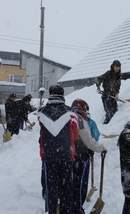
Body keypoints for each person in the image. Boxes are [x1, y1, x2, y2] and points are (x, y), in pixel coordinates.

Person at [38, 84, 78, 214]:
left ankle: (51, 210)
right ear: (63, 95)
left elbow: (42, 133)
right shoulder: (71, 112)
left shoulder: (41, 112)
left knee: (51, 189)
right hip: (66, 155)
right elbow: (75, 133)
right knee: (67, 188)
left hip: (49, 156)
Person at [71, 99, 106, 214]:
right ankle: (77, 207)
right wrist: (100, 148)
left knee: (70, 182)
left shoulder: (67, 117)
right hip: (81, 155)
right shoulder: (81, 120)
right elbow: (90, 140)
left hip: (67, 154)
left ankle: (70, 206)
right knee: (80, 183)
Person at [96, 60, 121, 124]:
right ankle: (106, 126)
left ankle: (113, 125)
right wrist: (98, 87)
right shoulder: (108, 74)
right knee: (109, 112)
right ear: (113, 66)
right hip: (106, 96)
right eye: (116, 66)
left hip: (113, 96)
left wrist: (117, 94)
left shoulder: (118, 76)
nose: (117, 68)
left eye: (118, 67)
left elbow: (118, 86)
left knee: (116, 112)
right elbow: (99, 79)